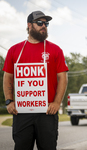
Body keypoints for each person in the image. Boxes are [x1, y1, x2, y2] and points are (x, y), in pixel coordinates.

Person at [3, 11, 69, 150]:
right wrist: (9, 101)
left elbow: (62, 77)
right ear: (29, 25)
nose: (43, 25)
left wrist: (57, 102)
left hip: (47, 112)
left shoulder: (55, 50)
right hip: (21, 112)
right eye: (39, 23)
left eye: (46, 23)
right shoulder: (14, 50)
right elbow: (8, 76)